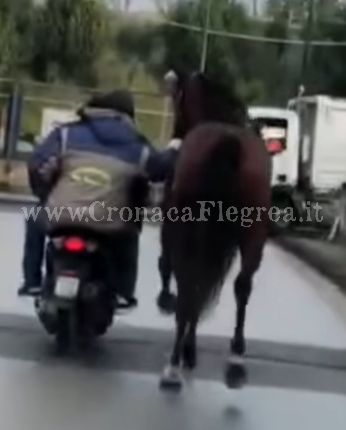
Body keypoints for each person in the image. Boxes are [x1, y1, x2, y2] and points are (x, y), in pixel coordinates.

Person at [18, 90, 180, 309]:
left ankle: (32, 281)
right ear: (128, 116)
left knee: (34, 217)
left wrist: (44, 195)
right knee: (131, 231)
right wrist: (173, 149)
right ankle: (124, 291)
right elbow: (160, 169)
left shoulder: (65, 134)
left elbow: (37, 164)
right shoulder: (137, 146)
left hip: (61, 215)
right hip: (110, 219)